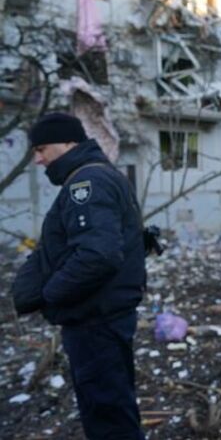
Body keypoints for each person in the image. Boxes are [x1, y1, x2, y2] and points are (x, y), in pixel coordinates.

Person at [10, 112, 146, 440]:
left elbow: (97, 255)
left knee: (107, 416)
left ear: (70, 142)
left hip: (94, 321)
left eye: (42, 148)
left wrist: (50, 295)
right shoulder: (95, 176)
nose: (38, 159)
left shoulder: (87, 183)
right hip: (100, 319)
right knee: (111, 409)